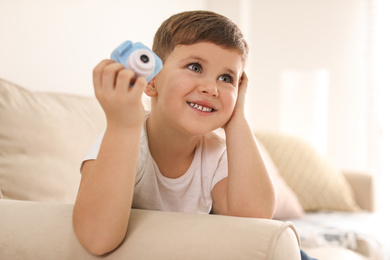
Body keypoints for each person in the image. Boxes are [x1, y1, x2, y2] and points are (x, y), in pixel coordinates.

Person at [72, 10, 277, 256]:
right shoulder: (122, 140)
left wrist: (237, 119)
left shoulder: (217, 153)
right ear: (151, 81)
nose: (211, 88)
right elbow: (96, 239)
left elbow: (254, 220)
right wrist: (123, 126)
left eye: (226, 77)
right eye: (195, 66)